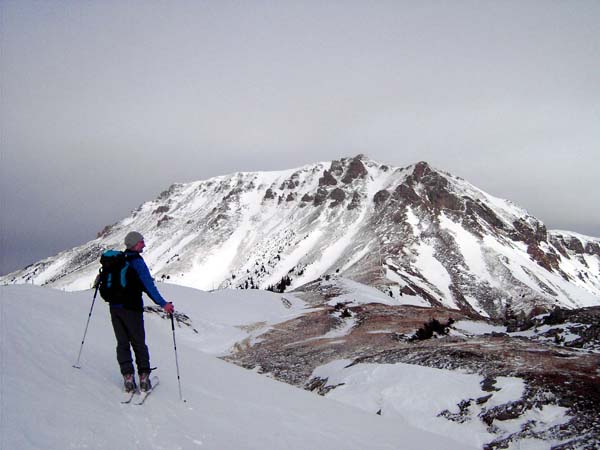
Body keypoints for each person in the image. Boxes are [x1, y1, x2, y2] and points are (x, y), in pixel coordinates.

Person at [109, 231, 174, 393]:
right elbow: (148, 286)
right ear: (134, 244)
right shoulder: (137, 262)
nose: (144, 244)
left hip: (115, 308)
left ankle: (128, 378)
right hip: (132, 308)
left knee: (122, 343)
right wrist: (163, 304)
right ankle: (144, 377)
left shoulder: (117, 260)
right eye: (141, 242)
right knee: (138, 342)